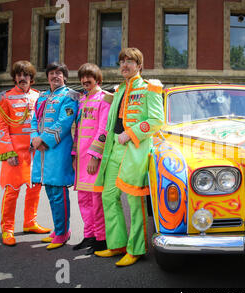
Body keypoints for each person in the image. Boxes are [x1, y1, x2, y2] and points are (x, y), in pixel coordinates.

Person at [93, 48, 164, 266]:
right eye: (122, 61)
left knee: (135, 201)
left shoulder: (150, 88)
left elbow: (156, 121)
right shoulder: (120, 89)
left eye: (130, 61)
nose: (125, 65)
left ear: (139, 66)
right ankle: (117, 245)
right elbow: (110, 121)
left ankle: (136, 249)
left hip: (134, 149)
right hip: (114, 149)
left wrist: (130, 133)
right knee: (108, 197)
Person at [0, 60, 51, 246]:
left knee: (34, 188)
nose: (22, 78)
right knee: (12, 191)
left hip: (35, 151)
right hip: (15, 153)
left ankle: (30, 222)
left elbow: (44, 123)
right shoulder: (4, 98)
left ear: (31, 77)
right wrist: (8, 153)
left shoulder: (39, 97)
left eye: (26, 75)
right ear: (14, 78)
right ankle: (7, 229)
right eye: (19, 75)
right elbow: (1, 128)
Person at [30, 62, 79, 250]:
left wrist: (43, 140)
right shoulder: (42, 97)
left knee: (58, 192)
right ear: (47, 77)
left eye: (59, 73)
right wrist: (34, 138)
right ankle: (59, 229)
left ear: (65, 77)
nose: (55, 76)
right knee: (50, 191)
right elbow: (34, 120)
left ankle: (62, 233)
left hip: (58, 150)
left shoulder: (70, 96)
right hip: (41, 152)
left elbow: (65, 122)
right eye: (52, 73)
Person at [71, 63, 112, 254]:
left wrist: (95, 155)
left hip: (93, 158)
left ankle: (100, 239)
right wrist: (74, 155)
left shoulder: (104, 99)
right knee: (83, 199)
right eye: (82, 77)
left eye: (89, 77)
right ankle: (88, 236)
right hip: (80, 160)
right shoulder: (82, 100)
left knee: (96, 201)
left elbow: (103, 130)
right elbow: (77, 131)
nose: (85, 80)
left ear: (98, 79)